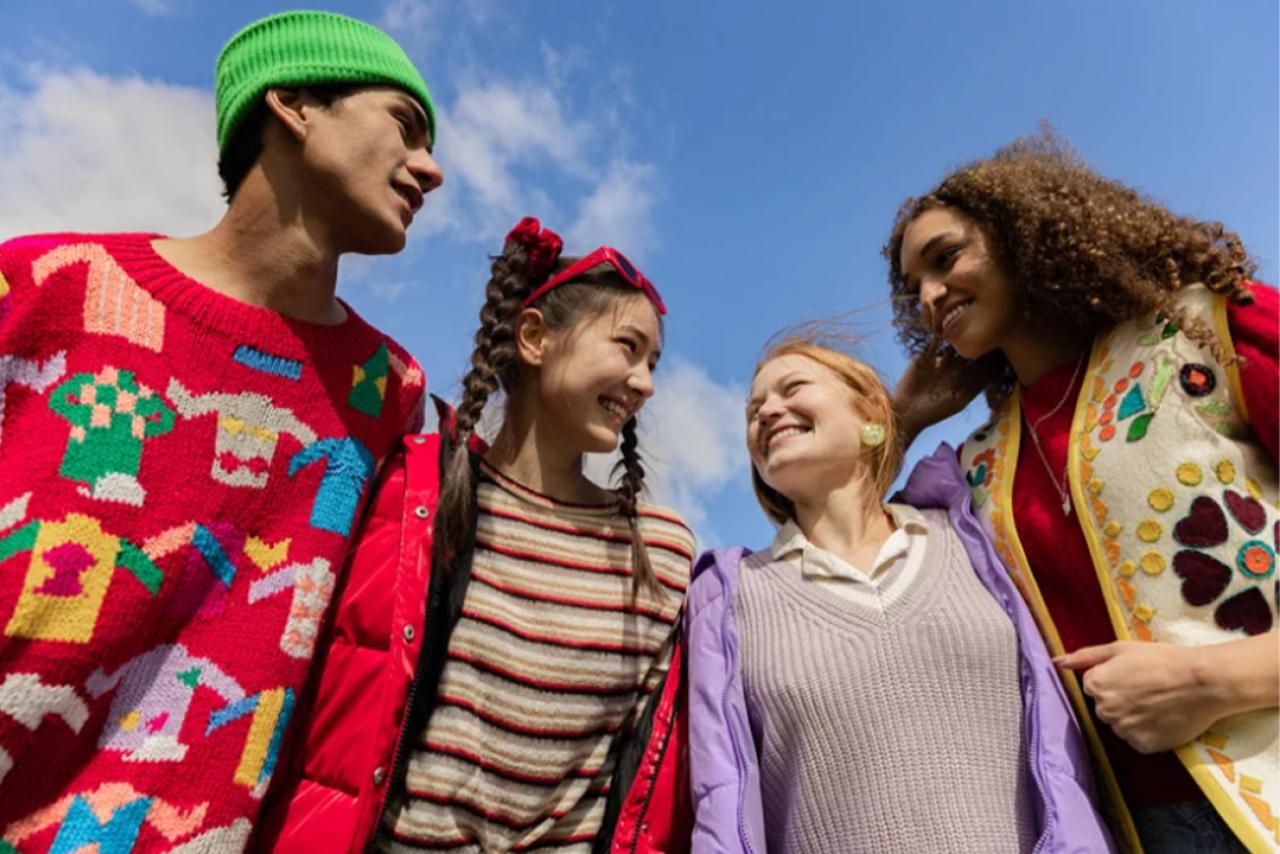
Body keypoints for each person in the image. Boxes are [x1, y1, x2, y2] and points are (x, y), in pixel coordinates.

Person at [0, 10, 442, 851]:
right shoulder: (45, 286)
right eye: (405, 124)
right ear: (295, 104)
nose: (433, 166)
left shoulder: (390, 394)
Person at [886, 128, 1279, 853]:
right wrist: (902, 421)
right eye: (915, 289)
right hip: (1121, 829)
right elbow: (840, 549)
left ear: (1023, 234)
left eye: (945, 259)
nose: (932, 295)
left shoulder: (1203, 330)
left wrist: (1215, 679)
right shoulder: (972, 471)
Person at [256, 218, 695, 853]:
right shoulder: (420, 500)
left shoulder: (661, 552)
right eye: (626, 347)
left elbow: (640, 769)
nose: (646, 383)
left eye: (653, 362)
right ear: (535, 337)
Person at [686, 336, 1114, 853]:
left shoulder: (973, 527)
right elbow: (720, 798)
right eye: (754, 411)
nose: (768, 411)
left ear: (870, 413)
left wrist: (903, 412)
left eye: (792, 388)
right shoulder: (728, 597)